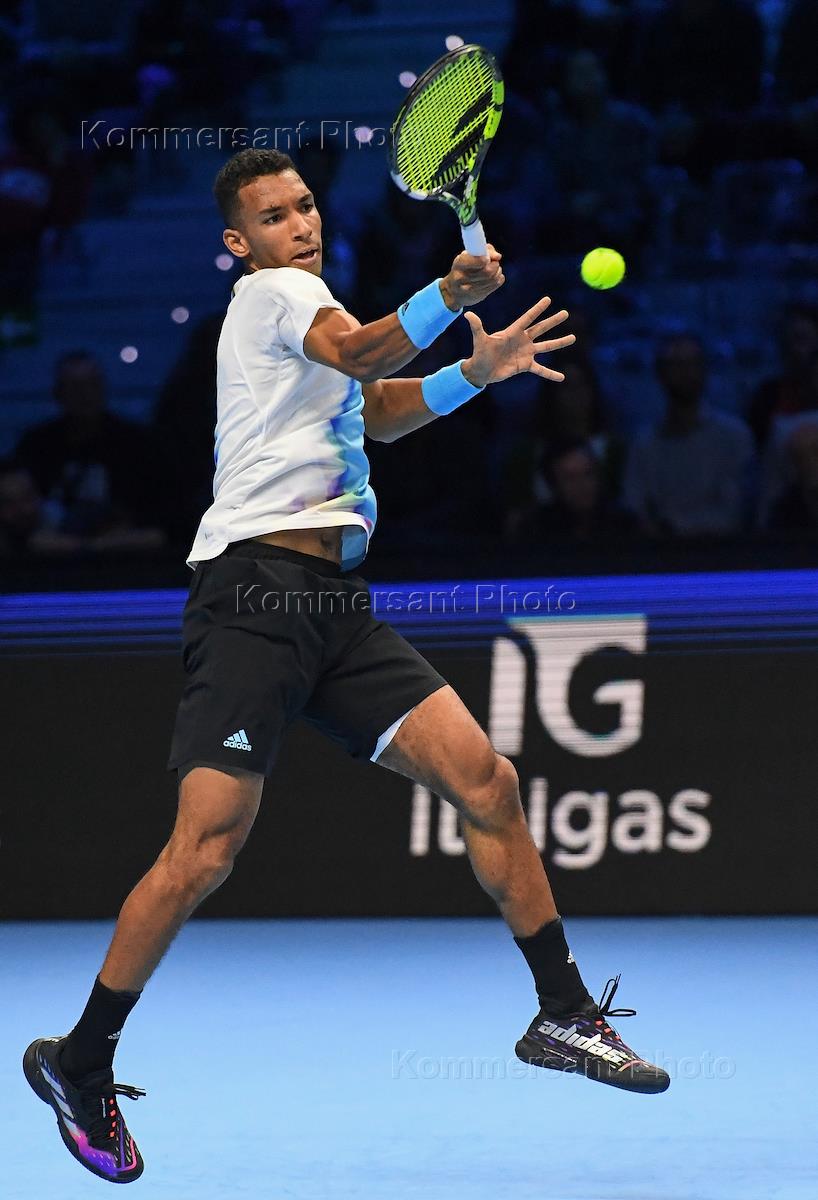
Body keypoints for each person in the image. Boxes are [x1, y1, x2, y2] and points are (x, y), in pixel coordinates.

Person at [23, 148, 669, 1187]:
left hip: (333, 606)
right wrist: (446, 295)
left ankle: (561, 1013)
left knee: (486, 782)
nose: (301, 224)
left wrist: (475, 371)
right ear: (240, 243)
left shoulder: (301, 323)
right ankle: (81, 1057)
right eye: (274, 216)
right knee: (205, 849)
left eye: (307, 206)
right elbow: (363, 350)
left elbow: (369, 409)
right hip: (254, 599)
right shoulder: (280, 295)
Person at [14, 351, 167, 552]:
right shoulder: (37, 445)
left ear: (103, 389)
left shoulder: (137, 445)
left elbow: (161, 517)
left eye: (92, 386)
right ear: (59, 393)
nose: (85, 395)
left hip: (126, 552)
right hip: (50, 553)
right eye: (75, 388)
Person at [624, 334, 754, 538]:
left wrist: (674, 526)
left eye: (691, 364)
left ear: (704, 370)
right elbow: (634, 506)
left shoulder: (735, 436)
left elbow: (734, 511)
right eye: (675, 365)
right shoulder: (644, 442)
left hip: (722, 551)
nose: (684, 373)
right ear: (660, 373)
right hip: (657, 552)